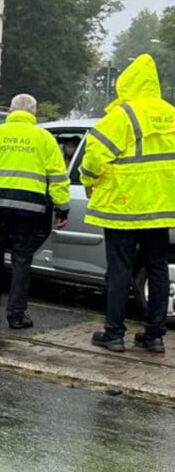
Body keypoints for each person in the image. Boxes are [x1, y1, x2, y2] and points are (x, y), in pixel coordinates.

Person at [80, 54, 175, 354]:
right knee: (158, 269)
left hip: (124, 206)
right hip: (160, 207)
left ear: (128, 83)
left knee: (120, 270)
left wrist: (88, 179)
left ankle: (114, 333)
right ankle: (155, 336)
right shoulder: (171, 113)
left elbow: (96, 153)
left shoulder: (123, 115)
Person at [0, 93, 70, 329]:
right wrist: (62, 209)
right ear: (33, 113)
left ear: (10, 112)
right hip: (29, 208)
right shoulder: (44, 138)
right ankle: (16, 315)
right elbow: (58, 177)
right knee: (21, 260)